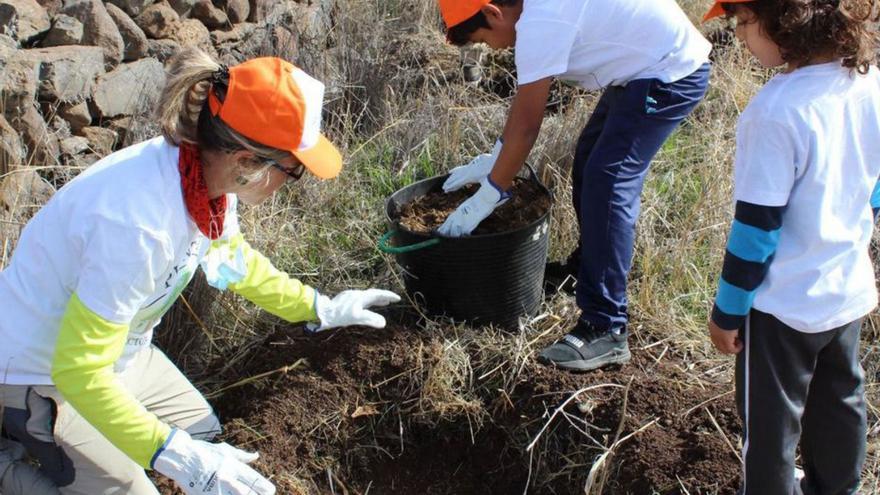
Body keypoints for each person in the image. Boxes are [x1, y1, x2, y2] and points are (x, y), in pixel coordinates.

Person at [0, 47, 400, 495]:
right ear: (247, 160)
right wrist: (172, 453)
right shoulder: (139, 226)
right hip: (40, 373)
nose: (290, 185)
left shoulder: (204, 180)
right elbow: (78, 370)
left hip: (120, 352)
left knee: (209, 437)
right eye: (292, 172)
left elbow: (235, 264)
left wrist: (318, 307)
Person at [435, 0, 712, 371]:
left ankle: (605, 326)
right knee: (589, 161)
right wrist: (496, 161)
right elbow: (521, 113)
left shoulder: (539, 22)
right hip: (642, 66)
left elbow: (527, 125)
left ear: (493, 13)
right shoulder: (536, 11)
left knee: (609, 181)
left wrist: (489, 195)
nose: (492, 48)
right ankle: (586, 269)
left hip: (670, 70)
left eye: (484, 40)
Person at [704, 1, 880, 493]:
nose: (738, 35)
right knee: (841, 401)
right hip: (844, 292)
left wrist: (728, 312)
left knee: (770, 428)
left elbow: (757, 230)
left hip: (781, 308)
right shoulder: (868, 84)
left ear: (785, 21)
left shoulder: (776, 112)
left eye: (743, 22)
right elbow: (875, 187)